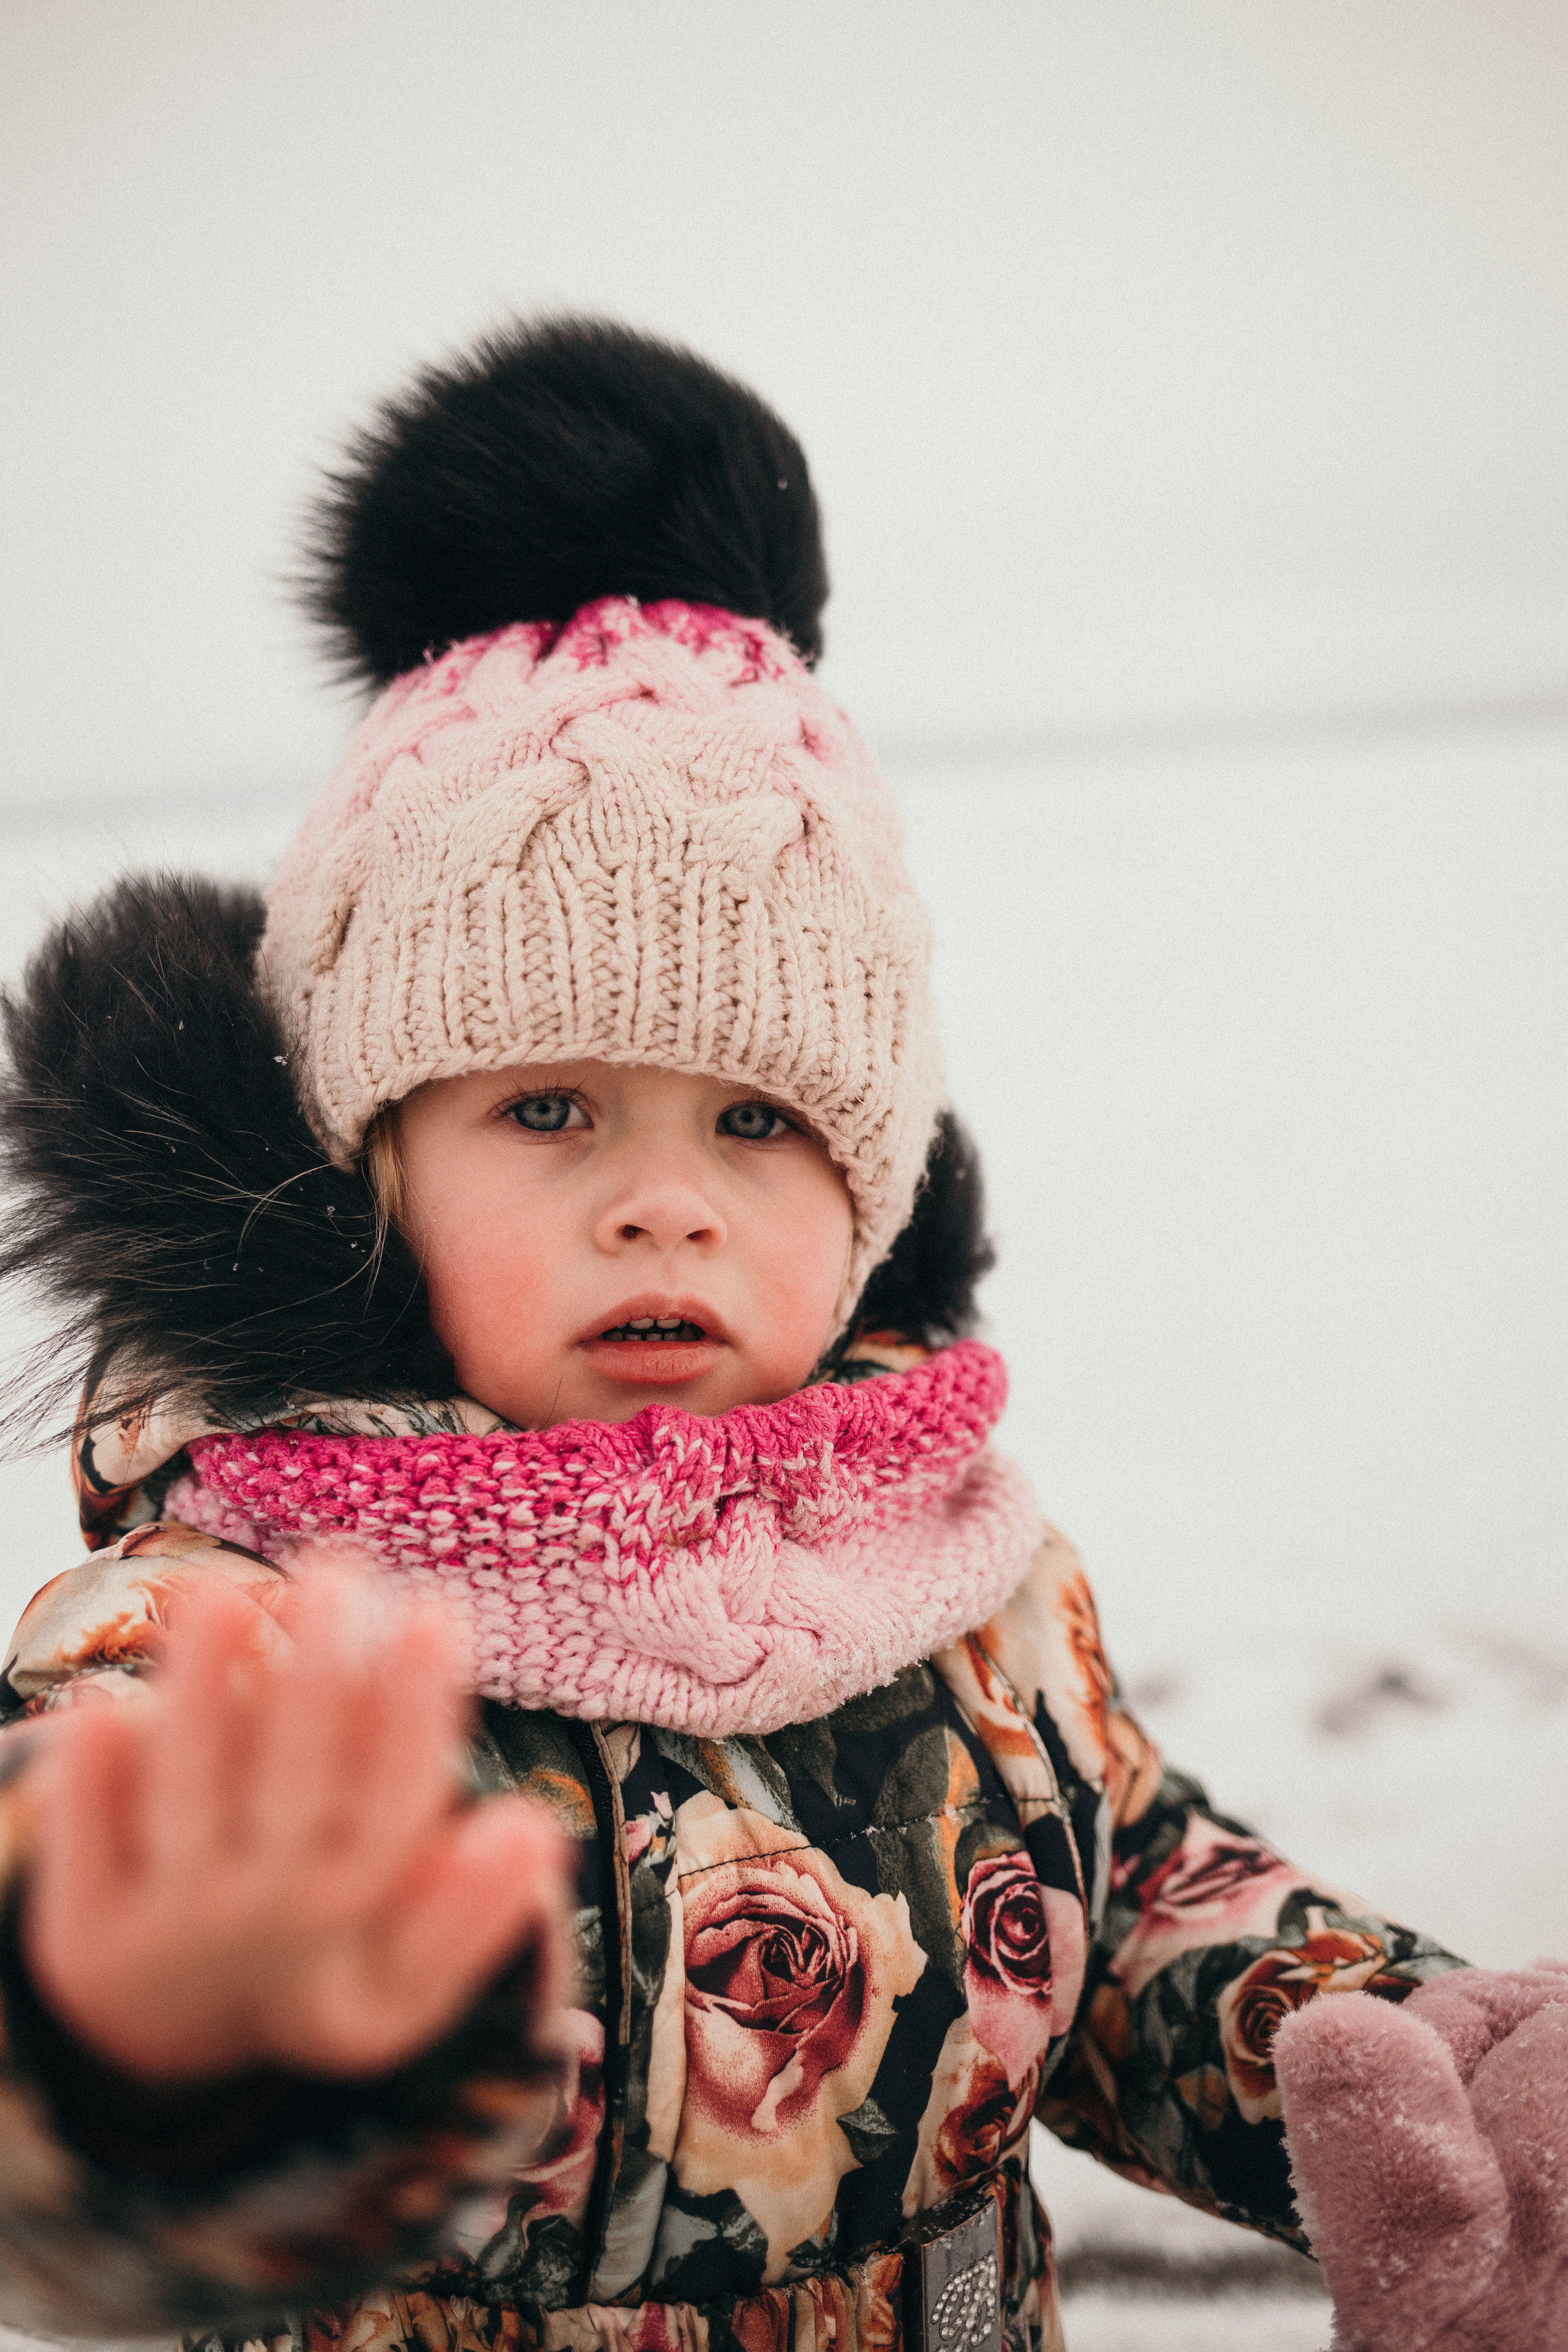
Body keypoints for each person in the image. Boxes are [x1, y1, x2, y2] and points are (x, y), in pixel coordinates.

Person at [0, 320, 1558, 2352]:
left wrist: (1389, 2047)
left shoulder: (964, 1571)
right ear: (369, 1171)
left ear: (875, 1190)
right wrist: (134, 2011)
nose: (666, 1199)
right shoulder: (262, 1615)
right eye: (545, 1110)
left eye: (759, 1119)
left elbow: (1135, 1902)